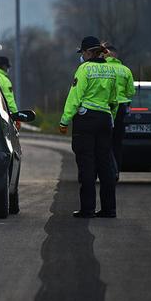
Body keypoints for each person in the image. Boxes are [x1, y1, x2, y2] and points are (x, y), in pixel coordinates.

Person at [58, 36, 119, 218]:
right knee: (105, 164)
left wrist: (64, 121)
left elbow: (75, 97)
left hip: (86, 121)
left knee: (86, 164)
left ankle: (88, 209)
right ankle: (109, 209)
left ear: (87, 52)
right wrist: (111, 119)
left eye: (82, 52)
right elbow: (114, 99)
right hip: (105, 119)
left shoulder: (84, 69)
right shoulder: (111, 70)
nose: (82, 56)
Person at [103, 42, 135, 179]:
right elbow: (131, 92)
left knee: (104, 141)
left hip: (106, 107)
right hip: (121, 108)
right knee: (117, 142)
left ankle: (104, 170)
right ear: (116, 56)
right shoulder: (126, 70)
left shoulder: (102, 68)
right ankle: (116, 172)